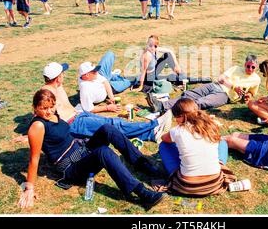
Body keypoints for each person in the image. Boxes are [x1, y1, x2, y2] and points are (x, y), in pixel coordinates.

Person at [17, 89, 167, 209]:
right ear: (35, 108)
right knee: (103, 152)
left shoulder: (53, 115)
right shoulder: (37, 126)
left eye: (51, 107)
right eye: (44, 108)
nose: (49, 111)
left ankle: (145, 166)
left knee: (108, 129)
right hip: (71, 167)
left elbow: (62, 133)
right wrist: (29, 188)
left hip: (81, 150)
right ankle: (141, 192)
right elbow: (34, 159)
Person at [41, 61, 171, 142]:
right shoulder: (46, 94)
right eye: (62, 73)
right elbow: (40, 118)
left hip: (78, 115)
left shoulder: (57, 86)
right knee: (114, 125)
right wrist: (32, 136)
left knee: (112, 125)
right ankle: (154, 125)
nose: (64, 75)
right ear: (57, 77)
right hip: (74, 123)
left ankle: (151, 135)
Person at [158, 98, 236, 196]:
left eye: (176, 117)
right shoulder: (211, 125)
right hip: (214, 183)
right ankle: (217, 164)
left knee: (164, 145)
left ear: (181, 116)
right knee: (222, 142)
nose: (176, 120)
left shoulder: (177, 130)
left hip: (187, 186)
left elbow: (163, 138)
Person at [147, 55, 261, 113]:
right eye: (248, 66)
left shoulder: (256, 79)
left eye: (253, 67)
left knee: (200, 102)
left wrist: (247, 96)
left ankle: (172, 111)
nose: (250, 69)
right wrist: (234, 87)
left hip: (225, 96)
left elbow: (251, 93)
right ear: (244, 64)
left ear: (256, 67)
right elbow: (221, 78)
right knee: (187, 94)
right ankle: (161, 106)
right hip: (215, 85)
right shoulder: (236, 68)